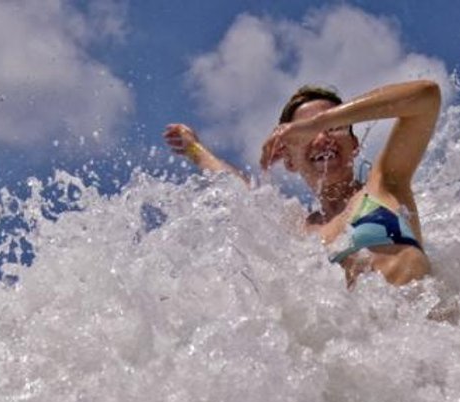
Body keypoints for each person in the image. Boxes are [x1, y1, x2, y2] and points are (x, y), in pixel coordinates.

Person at [164, 80, 440, 286]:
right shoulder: (297, 231)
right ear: (290, 160)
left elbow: (426, 97)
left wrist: (319, 122)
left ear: (354, 145)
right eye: (306, 133)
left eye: (333, 129)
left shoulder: (386, 185)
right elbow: (237, 193)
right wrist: (194, 150)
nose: (321, 137)